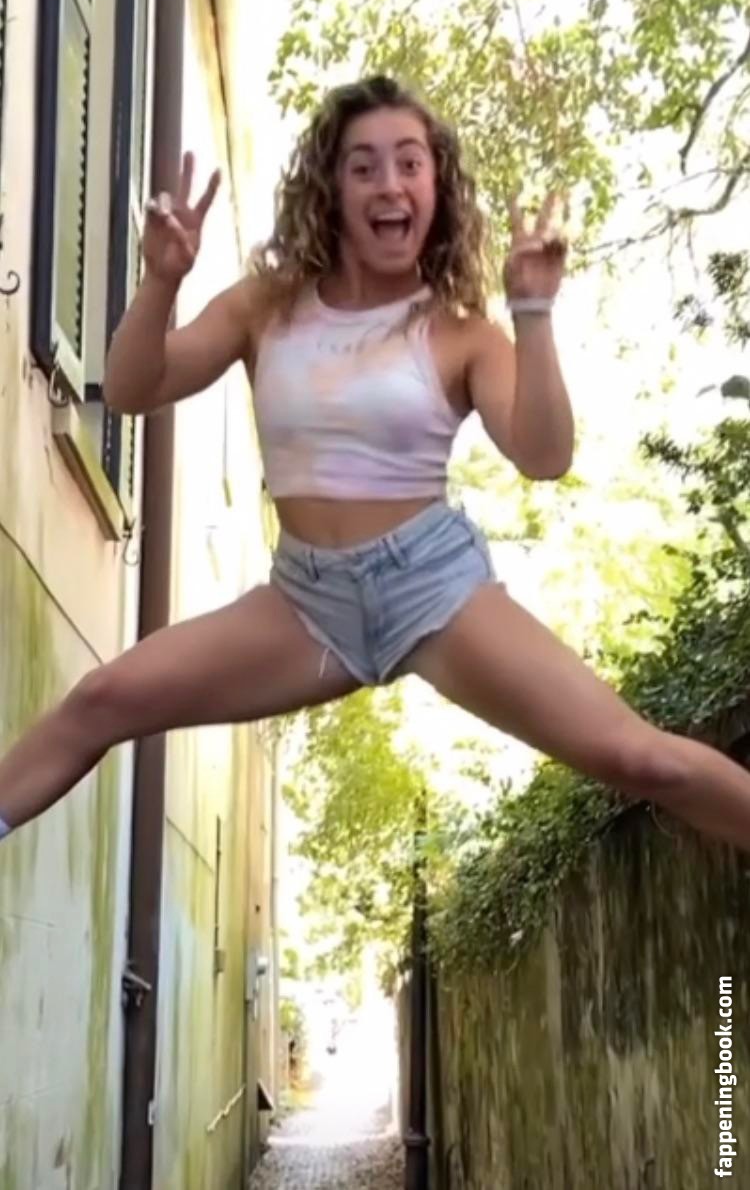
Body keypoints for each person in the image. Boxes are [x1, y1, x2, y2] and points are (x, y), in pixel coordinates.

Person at [0, 73, 749, 854]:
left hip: (431, 588)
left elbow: (544, 456)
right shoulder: (267, 305)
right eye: (364, 167)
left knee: (639, 758)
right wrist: (161, 280)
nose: (389, 184)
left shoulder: (461, 333)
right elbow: (132, 389)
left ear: (436, 187)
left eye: (409, 163)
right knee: (103, 699)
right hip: (305, 601)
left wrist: (532, 313)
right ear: (332, 190)